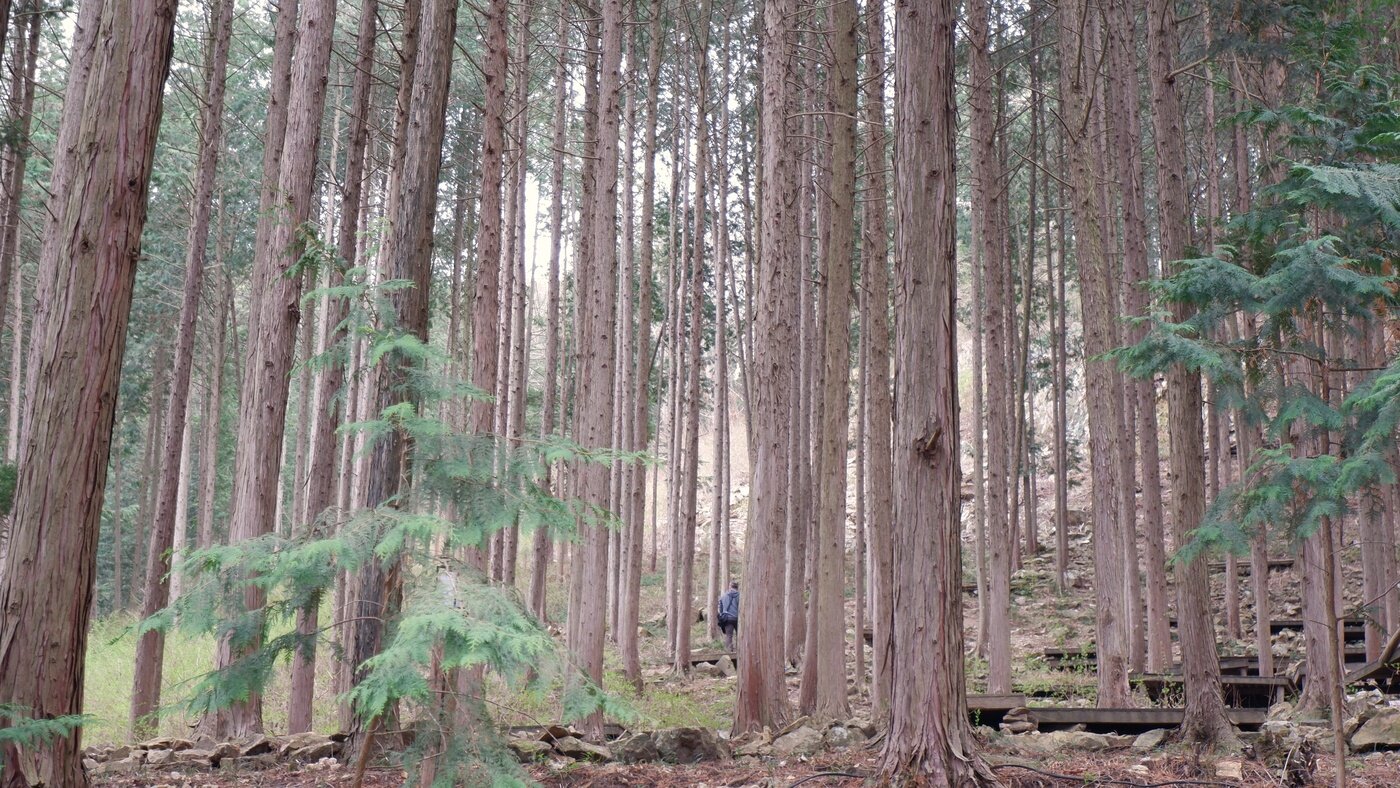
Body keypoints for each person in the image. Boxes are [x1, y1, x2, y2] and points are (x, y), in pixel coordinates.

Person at [717, 581, 740, 652]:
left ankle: (729, 651)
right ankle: (739, 650)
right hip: (738, 619)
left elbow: (720, 607)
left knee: (729, 635)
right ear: (737, 587)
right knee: (739, 635)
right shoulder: (740, 595)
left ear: (730, 586)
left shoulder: (724, 595)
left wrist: (722, 614)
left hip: (727, 618)